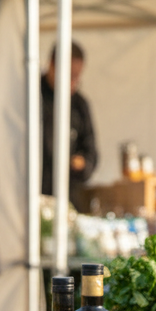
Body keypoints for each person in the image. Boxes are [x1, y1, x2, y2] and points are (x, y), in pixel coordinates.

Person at [41, 42, 98, 201]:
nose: (74, 81)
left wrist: (83, 163)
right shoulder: (32, 95)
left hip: (68, 196)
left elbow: (91, 151)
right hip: (33, 194)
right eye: (70, 75)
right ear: (52, 66)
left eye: (77, 76)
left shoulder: (80, 105)